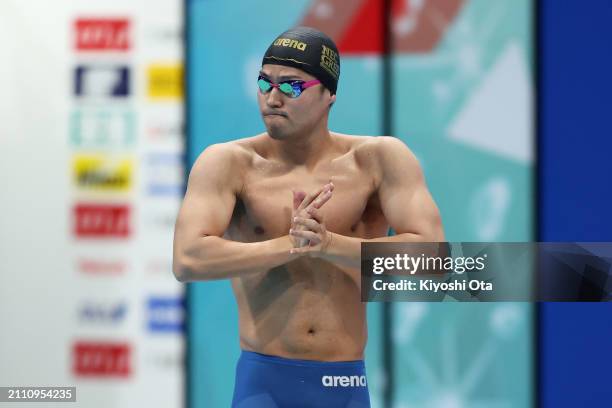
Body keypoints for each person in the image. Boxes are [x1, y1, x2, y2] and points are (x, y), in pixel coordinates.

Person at [173, 26, 444, 408]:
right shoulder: (229, 164)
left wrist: (330, 244)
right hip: (262, 383)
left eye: (291, 87)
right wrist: (289, 246)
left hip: (343, 383)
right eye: (264, 83)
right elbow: (187, 260)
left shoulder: (378, 160)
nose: (272, 97)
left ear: (329, 94)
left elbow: (432, 259)